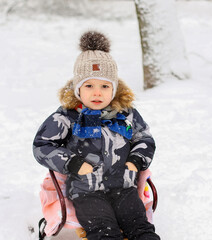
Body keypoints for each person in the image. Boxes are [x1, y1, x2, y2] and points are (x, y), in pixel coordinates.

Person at [33, 31, 160, 240]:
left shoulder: (126, 114)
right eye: (89, 86)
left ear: (114, 88)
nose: (97, 93)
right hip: (87, 191)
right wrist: (72, 163)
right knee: (104, 230)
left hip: (124, 187)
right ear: (77, 89)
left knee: (140, 227)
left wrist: (136, 160)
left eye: (104, 86)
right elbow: (43, 145)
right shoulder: (66, 117)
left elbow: (143, 138)